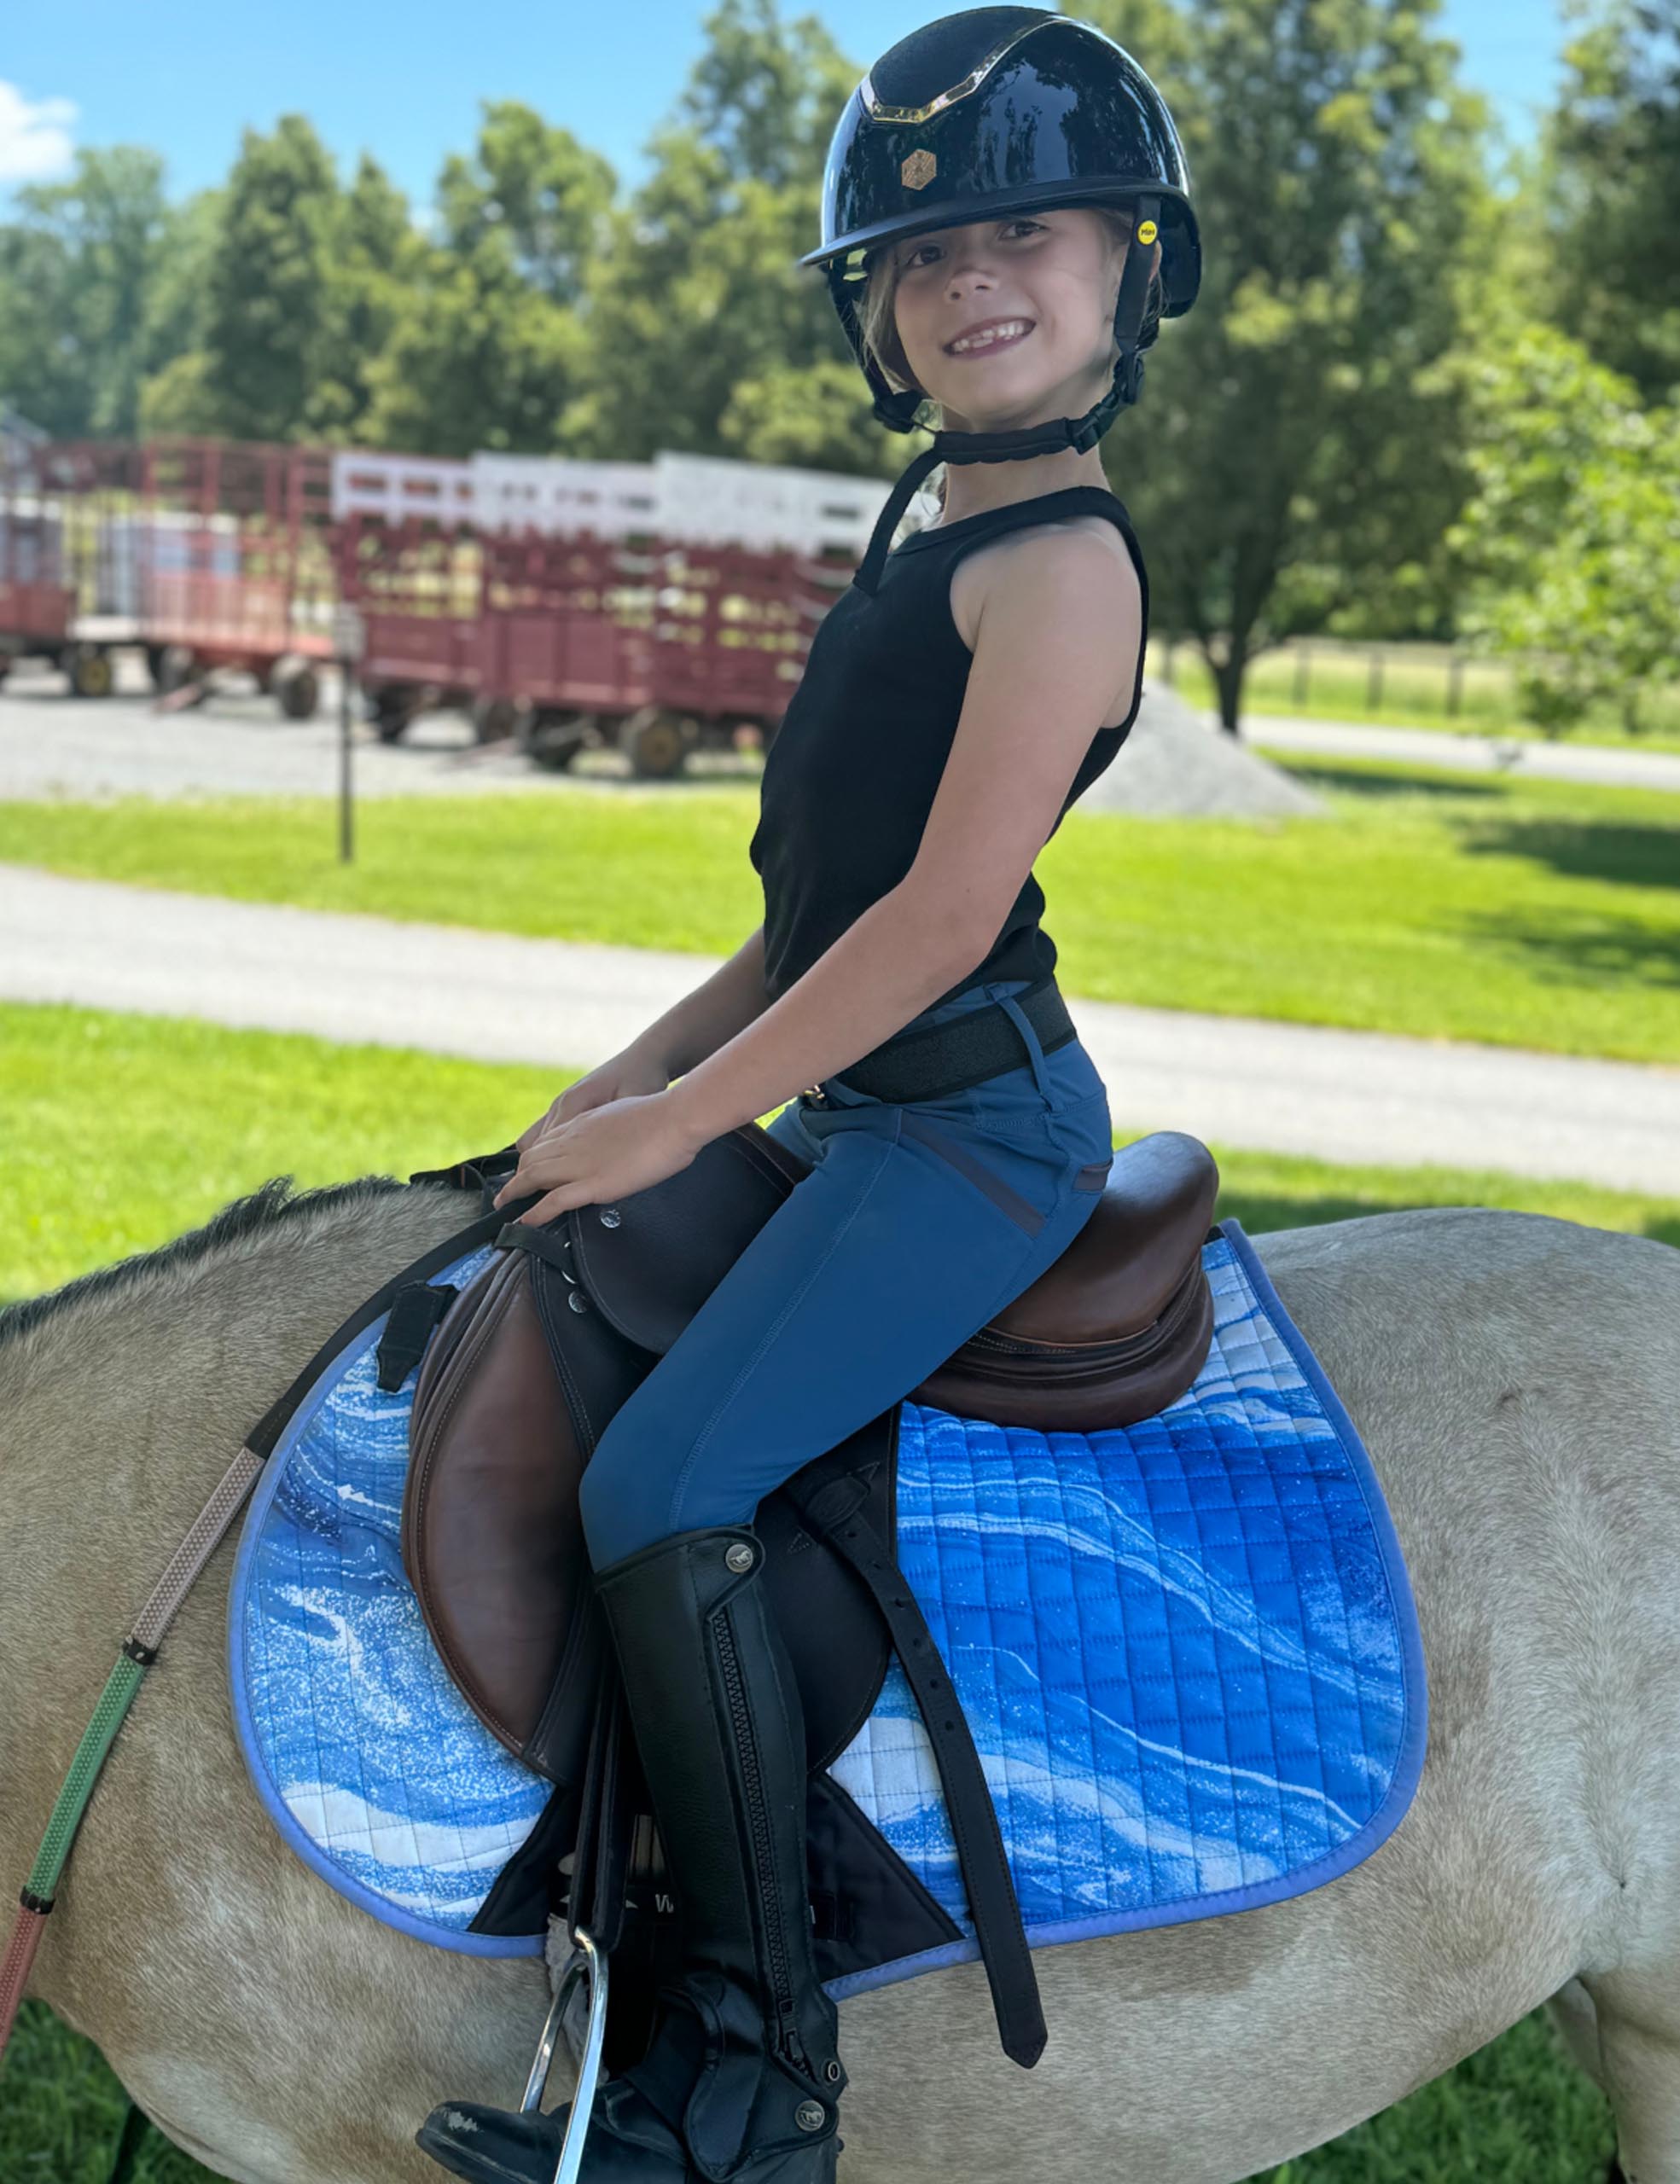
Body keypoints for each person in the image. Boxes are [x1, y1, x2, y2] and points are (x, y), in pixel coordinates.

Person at [417, 8, 1200, 2180]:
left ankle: (764, 2080)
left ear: (1130, 261)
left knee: (666, 1476)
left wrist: (681, 1131)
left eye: (1026, 227)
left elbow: (938, 925)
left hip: (972, 1121)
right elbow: (799, 921)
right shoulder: (936, 535)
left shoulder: (1066, 565)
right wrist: (606, 1093)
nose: (973, 277)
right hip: (864, 1096)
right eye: (924, 245)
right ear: (874, 303)